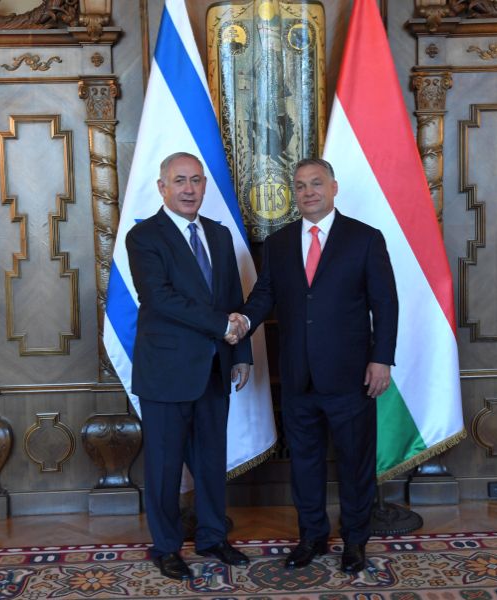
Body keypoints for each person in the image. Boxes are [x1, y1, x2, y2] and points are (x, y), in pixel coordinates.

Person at [232, 158, 398, 573]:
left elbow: (386, 304)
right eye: (301, 185)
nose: (308, 192)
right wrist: (243, 321)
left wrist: (382, 358)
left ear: (334, 187)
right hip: (298, 377)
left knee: (354, 463)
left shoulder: (365, 239)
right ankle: (312, 538)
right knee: (304, 463)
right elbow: (264, 295)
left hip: (352, 376)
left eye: (316, 184)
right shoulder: (279, 243)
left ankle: (356, 541)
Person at [126, 151, 252, 580]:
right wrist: (222, 327)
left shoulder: (218, 235)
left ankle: (213, 537)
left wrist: (242, 354)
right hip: (165, 372)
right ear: (162, 187)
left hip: (215, 368)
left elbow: (233, 299)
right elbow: (158, 298)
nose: (189, 189)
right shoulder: (144, 237)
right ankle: (166, 547)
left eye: (196, 180)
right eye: (179, 180)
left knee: (212, 462)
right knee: (164, 466)